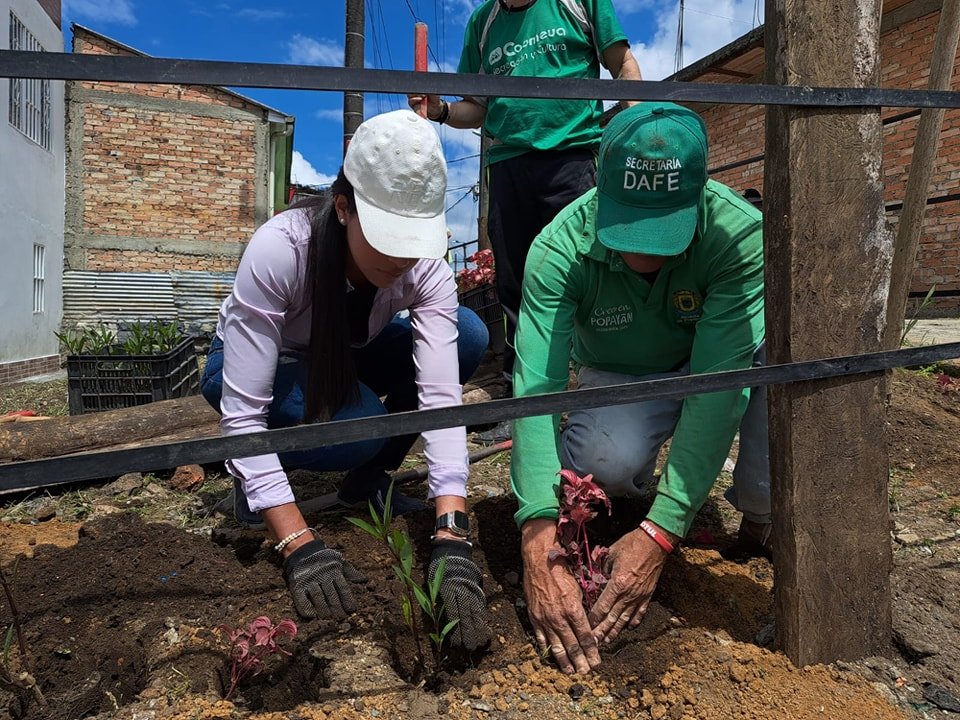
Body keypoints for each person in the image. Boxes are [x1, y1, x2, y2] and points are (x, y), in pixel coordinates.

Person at [200, 110, 490, 651]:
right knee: (362, 428)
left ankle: (366, 481)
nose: (402, 256)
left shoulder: (421, 267)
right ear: (342, 208)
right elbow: (243, 414)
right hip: (255, 365)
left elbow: (441, 399)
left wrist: (453, 534)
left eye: (413, 238)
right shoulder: (282, 250)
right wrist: (298, 541)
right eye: (387, 236)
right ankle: (261, 485)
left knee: (469, 336)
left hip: (345, 353)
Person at [510, 102, 769, 674]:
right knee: (604, 463)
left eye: (665, 230)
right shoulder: (558, 248)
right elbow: (536, 389)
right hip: (623, 373)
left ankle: (761, 520)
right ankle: (638, 493)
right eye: (630, 227)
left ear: (699, 195)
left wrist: (663, 529)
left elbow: (719, 385)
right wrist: (536, 533)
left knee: (783, 357)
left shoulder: (737, 235)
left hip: (713, 358)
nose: (646, 253)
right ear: (600, 187)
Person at [409, 0, 643, 444]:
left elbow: (622, 63)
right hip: (509, 162)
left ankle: (596, 389)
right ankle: (524, 402)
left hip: (572, 158)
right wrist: (440, 110)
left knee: (588, 275)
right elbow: (475, 108)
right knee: (516, 285)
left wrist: (638, 129)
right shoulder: (483, 23)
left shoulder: (578, 4)